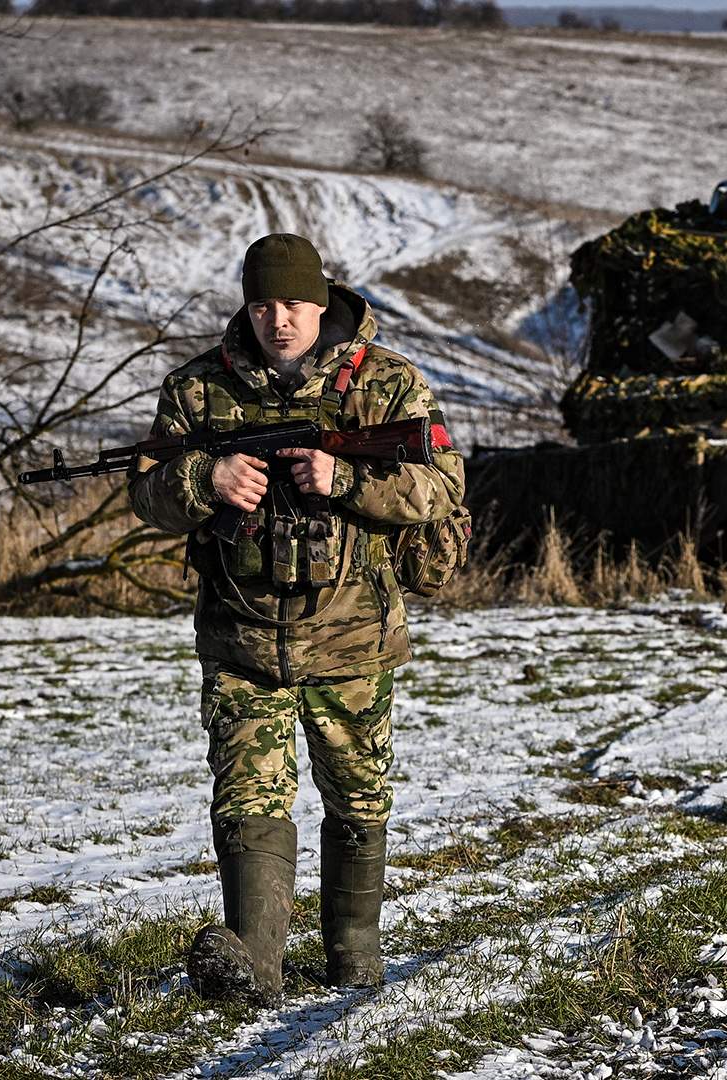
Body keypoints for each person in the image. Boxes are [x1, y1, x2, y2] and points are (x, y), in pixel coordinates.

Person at [128, 232, 464, 1005]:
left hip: (352, 636)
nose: (279, 319)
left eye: (294, 304)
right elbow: (146, 495)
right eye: (263, 304)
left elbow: (442, 485)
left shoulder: (385, 383)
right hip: (241, 636)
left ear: (322, 302)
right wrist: (203, 478)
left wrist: (345, 478)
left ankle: (355, 961)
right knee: (247, 796)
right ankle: (257, 967)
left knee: (357, 796)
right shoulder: (196, 389)